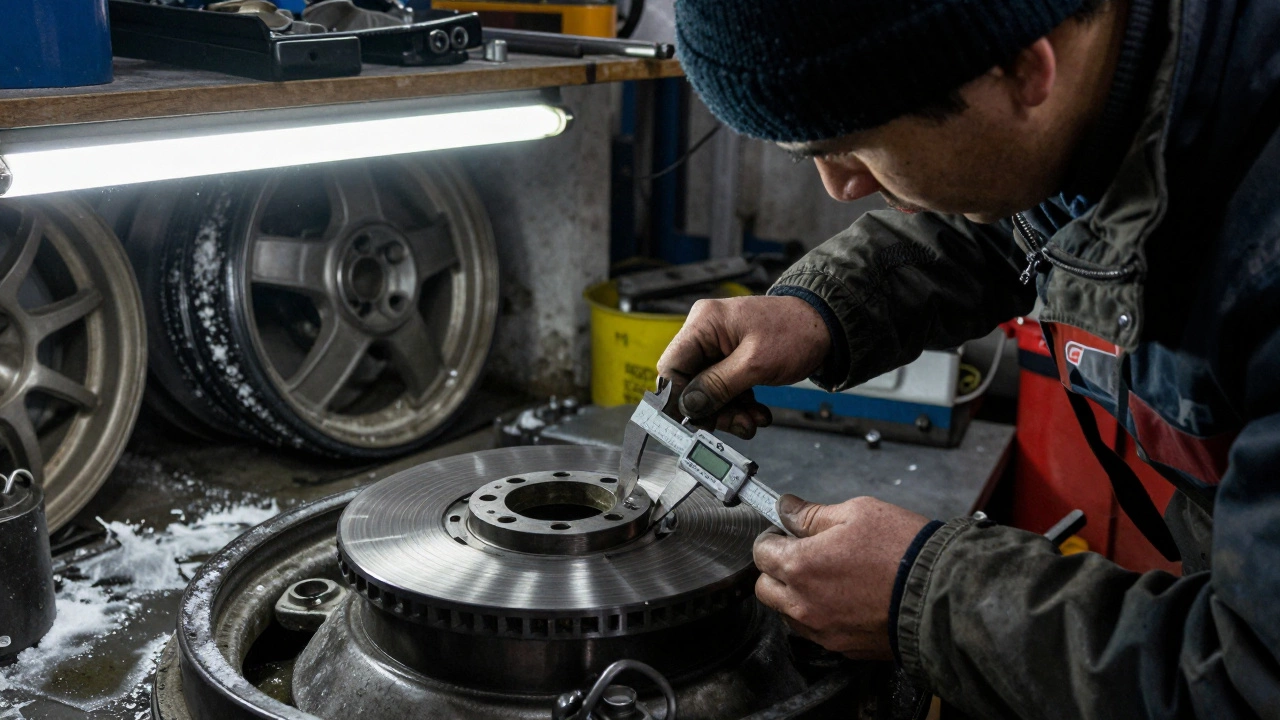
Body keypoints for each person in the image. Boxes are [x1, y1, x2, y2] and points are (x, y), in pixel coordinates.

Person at [657, 0, 1280, 716]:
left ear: (1023, 70)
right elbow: (1018, 209)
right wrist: (820, 309)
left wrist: (929, 593)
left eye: (858, 144)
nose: (840, 185)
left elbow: (1253, 678)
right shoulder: (1103, 82)